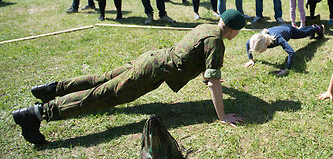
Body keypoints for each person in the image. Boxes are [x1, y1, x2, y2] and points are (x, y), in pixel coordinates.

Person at [12, 9, 247, 145]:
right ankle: (37, 114)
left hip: (151, 58)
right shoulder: (216, 42)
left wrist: (208, 78)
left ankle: (52, 89)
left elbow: (197, 61)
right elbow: (214, 81)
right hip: (149, 72)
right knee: (101, 96)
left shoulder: (207, 28)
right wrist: (223, 115)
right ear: (234, 30)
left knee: (101, 79)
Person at [244, 24, 324, 77]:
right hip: (282, 28)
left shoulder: (277, 38)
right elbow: (248, 43)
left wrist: (287, 69)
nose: (260, 52)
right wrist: (250, 59)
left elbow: (291, 53)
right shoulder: (259, 38)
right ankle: (313, 27)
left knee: (303, 33)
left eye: (260, 50)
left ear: (266, 44)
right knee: (302, 31)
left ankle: (319, 28)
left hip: (289, 30)